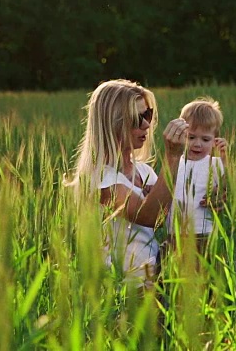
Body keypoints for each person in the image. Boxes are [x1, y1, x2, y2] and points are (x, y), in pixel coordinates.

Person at [65, 79, 189, 288]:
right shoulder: (101, 181)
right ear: (112, 122)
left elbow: (173, 209)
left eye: (147, 114)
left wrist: (212, 198)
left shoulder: (143, 170)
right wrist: (173, 158)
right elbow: (150, 216)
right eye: (136, 118)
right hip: (123, 293)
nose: (147, 124)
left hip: (153, 283)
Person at [167, 97, 230, 255]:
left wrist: (226, 159)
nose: (197, 144)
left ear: (215, 140)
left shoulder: (214, 163)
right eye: (191, 137)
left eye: (205, 139)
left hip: (205, 234)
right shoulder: (175, 162)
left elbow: (233, 184)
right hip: (175, 234)